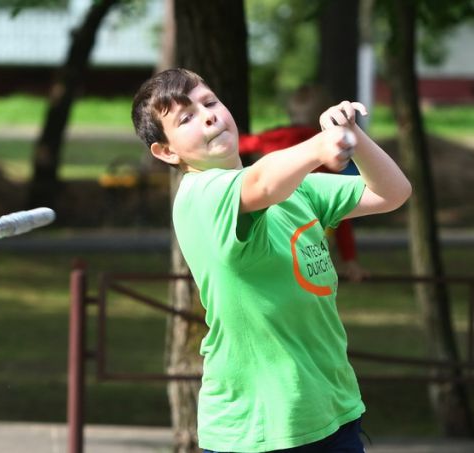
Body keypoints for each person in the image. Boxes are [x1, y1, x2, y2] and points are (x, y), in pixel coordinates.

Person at [131, 68, 411, 453]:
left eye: (210, 103)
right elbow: (261, 182)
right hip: (257, 429)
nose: (208, 115)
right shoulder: (199, 197)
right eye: (186, 118)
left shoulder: (296, 190)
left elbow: (392, 193)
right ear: (166, 151)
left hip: (334, 412)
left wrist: (353, 136)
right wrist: (318, 146)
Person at [238, 85, 366, 282]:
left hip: (274, 217)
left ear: (290, 111)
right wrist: (350, 258)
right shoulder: (331, 147)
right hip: (309, 222)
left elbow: (243, 143)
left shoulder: (276, 137)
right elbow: (339, 211)